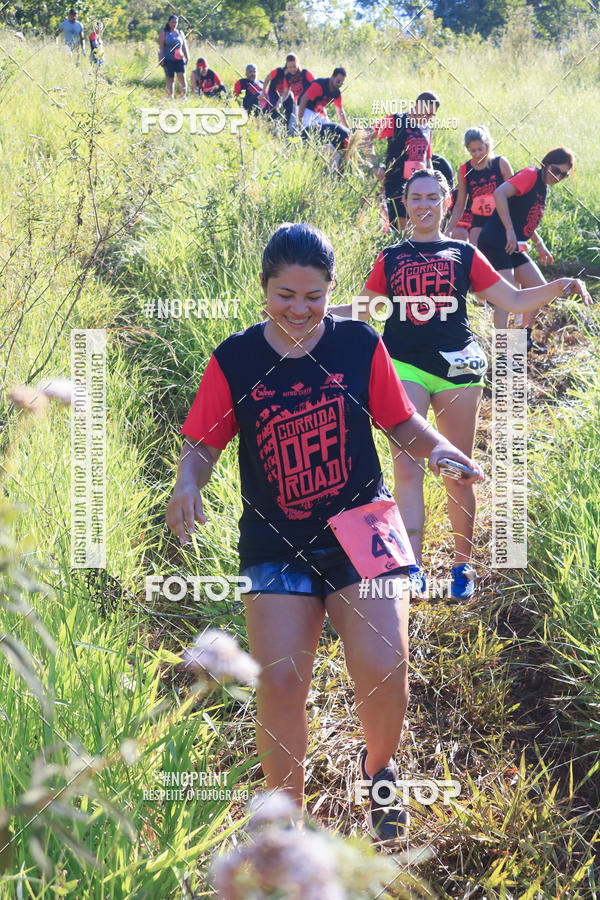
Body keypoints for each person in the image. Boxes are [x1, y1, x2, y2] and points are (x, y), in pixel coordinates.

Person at [166, 222, 483, 844]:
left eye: (313, 296)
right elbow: (201, 444)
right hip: (273, 536)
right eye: (285, 295)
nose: (299, 309)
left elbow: (403, 422)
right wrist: (188, 483)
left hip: (364, 521)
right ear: (263, 290)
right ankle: (286, 822)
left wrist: (442, 449)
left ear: (331, 290)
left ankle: (379, 769)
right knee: (280, 680)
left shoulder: (358, 344)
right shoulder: (236, 359)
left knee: (386, 667)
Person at [332, 170, 591, 599]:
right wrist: (309, 312)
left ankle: (461, 566)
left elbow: (515, 299)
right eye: (416, 197)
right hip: (403, 365)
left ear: (448, 201)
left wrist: (562, 285)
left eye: (433, 197)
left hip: (458, 369)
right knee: (407, 469)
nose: (424, 205)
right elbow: (364, 309)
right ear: (406, 201)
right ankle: (411, 568)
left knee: (457, 470)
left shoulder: (463, 253)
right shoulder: (391, 257)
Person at [477, 147, 574, 351]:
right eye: (556, 171)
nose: (558, 177)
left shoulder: (543, 187)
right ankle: (502, 350)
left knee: (539, 287)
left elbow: (525, 219)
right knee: (507, 296)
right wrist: (510, 230)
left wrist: (540, 245)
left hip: (513, 245)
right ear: (546, 163)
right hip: (496, 240)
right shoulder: (530, 175)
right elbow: (499, 193)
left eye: (563, 175)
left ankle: (523, 340)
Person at [369, 91, 439, 233]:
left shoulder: (426, 129)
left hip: (419, 187)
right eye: (428, 113)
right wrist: (375, 165)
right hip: (396, 184)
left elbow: (427, 159)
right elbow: (365, 135)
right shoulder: (397, 120)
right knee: (405, 231)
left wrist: (434, 183)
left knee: (417, 230)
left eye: (433, 115)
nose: (430, 118)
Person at [446, 126, 512, 246]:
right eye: (473, 151)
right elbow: (460, 204)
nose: (477, 154)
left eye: (480, 149)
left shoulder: (501, 163)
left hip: (501, 217)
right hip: (478, 220)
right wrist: (449, 229)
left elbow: (514, 197)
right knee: (476, 253)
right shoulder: (464, 170)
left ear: (487, 145)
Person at [297, 68, 350, 170]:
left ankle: (332, 158)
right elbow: (303, 100)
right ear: (332, 77)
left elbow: (340, 112)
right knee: (309, 130)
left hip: (319, 112)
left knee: (329, 130)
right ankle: (307, 154)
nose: (339, 84)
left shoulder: (337, 93)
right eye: (338, 81)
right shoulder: (320, 85)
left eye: (342, 83)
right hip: (306, 109)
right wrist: (299, 121)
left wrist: (348, 129)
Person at [262, 54, 313, 135]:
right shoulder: (285, 76)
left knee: (309, 123)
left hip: (311, 102)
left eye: (294, 66)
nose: (292, 69)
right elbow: (285, 93)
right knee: (293, 127)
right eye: (290, 67)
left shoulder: (305, 73)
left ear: (298, 64)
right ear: (286, 66)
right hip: (296, 102)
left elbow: (316, 85)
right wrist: (278, 102)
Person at [158, 15, 189, 100]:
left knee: (182, 77)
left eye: (176, 22)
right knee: (170, 79)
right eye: (172, 22)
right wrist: (160, 59)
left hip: (179, 59)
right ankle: (170, 97)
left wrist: (187, 57)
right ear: (169, 22)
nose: (174, 24)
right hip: (168, 59)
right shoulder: (164, 32)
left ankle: (183, 97)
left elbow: (184, 46)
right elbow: (160, 47)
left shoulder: (180, 33)